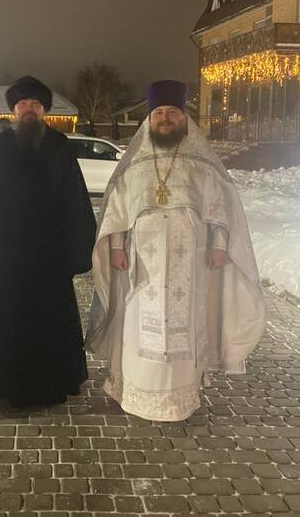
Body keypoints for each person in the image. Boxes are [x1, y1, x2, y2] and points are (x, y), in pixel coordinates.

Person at [87, 79, 266, 422]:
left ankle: (180, 398)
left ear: (184, 118)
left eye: (172, 112)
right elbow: (118, 211)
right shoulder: (135, 163)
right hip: (143, 261)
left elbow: (220, 208)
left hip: (191, 259)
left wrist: (219, 245)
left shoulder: (202, 163)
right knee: (140, 322)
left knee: (186, 321)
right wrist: (117, 247)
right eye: (159, 112)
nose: (165, 118)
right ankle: (138, 393)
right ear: (150, 118)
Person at [0, 75, 96, 407]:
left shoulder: (60, 146)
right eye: (22, 104)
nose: (29, 110)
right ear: (14, 110)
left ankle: (51, 384)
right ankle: (4, 384)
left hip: (49, 253)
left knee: (49, 318)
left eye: (35, 104)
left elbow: (76, 200)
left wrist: (75, 249)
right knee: (7, 316)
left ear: (44, 110)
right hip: (8, 252)